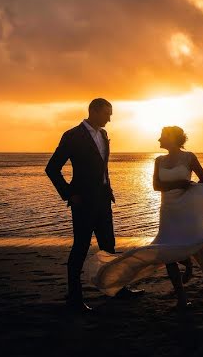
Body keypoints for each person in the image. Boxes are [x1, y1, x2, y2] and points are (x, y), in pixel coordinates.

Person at [86, 125, 203, 309]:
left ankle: (188, 267)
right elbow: (157, 186)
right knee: (166, 250)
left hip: (186, 208)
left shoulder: (189, 157)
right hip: (168, 210)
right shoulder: (159, 160)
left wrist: (192, 194)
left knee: (188, 242)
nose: (159, 139)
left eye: (162, 136)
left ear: (172, 138)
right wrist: (181, 183)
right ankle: (182, 297)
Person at [45, 98, 143, 313]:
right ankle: (75, 298)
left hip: (103, 200)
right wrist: (70, 194)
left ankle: (117, 289)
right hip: (83, 202)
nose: (110, 118)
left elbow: (102, 168)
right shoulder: (72, 136)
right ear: (95, 111)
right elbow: (52, 168)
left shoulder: (104, 135)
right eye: (107, 113)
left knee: (109, 246)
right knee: (80, 249)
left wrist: (108, 190)